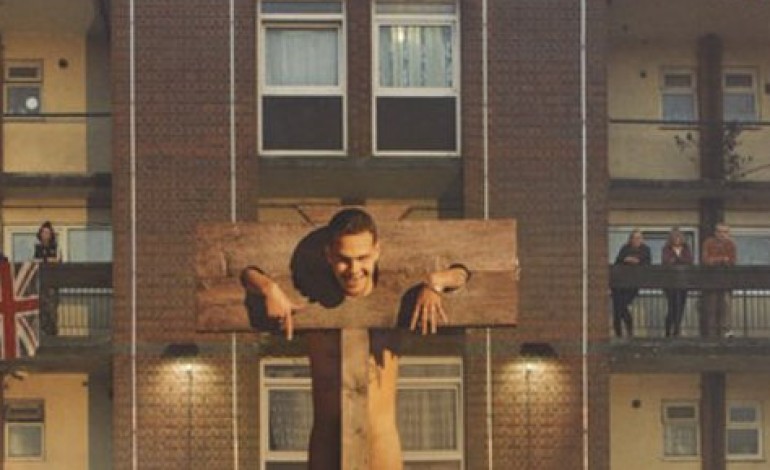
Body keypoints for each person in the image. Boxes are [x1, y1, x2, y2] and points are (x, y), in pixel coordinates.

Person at [240, 208, 470, 470]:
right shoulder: (310, 301)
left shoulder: (400, 302)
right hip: (327, 447)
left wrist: (436, 282)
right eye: (344, 259)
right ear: (328, 254)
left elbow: (463, 273)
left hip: (380, 448)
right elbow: (243, 271)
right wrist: (268, 287)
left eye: (362, 258)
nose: (354, 269)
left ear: (377, 252)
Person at [611, 229, 651, 338]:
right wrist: (626, 260)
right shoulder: (625, 248)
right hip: (620, 284)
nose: (637, 240)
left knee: (622, 305)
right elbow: (617, 262)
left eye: (639, 238)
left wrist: (637, 261)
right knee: (617, 307)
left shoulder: (645, 249)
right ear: (631, 239)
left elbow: (647, 264)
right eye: (634, 238)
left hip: (633, 283)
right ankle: (618, 332)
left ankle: (629, 327)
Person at [701, 222, 737, 337]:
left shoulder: (731, 244)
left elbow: (732, 261)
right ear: (715, 232)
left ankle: (724, 334)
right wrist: (721, 259)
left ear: (728, 233)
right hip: (711, 281)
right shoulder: (708, 242)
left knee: (725, 308)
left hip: (726, 281)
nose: (722, 234)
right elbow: (706, 260)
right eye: (720, 231)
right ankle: (712, 335)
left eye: (725, 232)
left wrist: (716, 260)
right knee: (711, 308)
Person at [661, 227, 694, 337]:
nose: (677, 239)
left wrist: (677, 260)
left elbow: (689, 261)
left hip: (683, 282)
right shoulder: (666, 249)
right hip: (670, 282)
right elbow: (666, 261)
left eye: (679, 237)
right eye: (675, 237)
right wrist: (678, 260)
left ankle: (677, 329)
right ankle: (668, 329)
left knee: (681, 306)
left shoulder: (686, 249)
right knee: (672, 307)